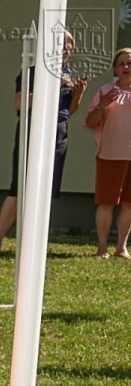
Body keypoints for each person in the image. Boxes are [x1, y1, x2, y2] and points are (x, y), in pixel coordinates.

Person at [0, 32, 86, 256]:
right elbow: (20, 103)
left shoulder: (68, 74)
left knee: (46, 189)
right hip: (33, 128)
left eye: (68, 46)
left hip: (59, 130)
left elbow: (68, 111)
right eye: (60, 45)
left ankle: (32, 245)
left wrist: (78, 93)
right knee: (19, 186)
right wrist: (49, 85)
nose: (65, 50)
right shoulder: (32, 72)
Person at [85, 47, 131, 259]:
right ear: (115, 68)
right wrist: (102, 106)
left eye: (129, 63)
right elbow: (90, 122)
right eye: (121, 63)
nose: (126, 67)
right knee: (106, 202)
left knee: (129, 203)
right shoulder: (105, 91)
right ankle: (102, 248)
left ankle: (121, 247)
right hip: (110, 156)